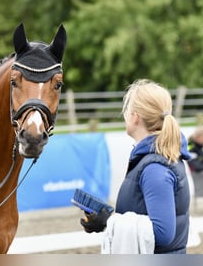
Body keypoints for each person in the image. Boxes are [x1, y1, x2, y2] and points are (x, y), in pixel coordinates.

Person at [79, 79, 191, 254]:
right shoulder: (154, 159)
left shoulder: (155, 168)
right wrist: (104, 219)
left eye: (127, 109)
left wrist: (110, 220)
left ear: (135, 116)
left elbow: (163, 234)